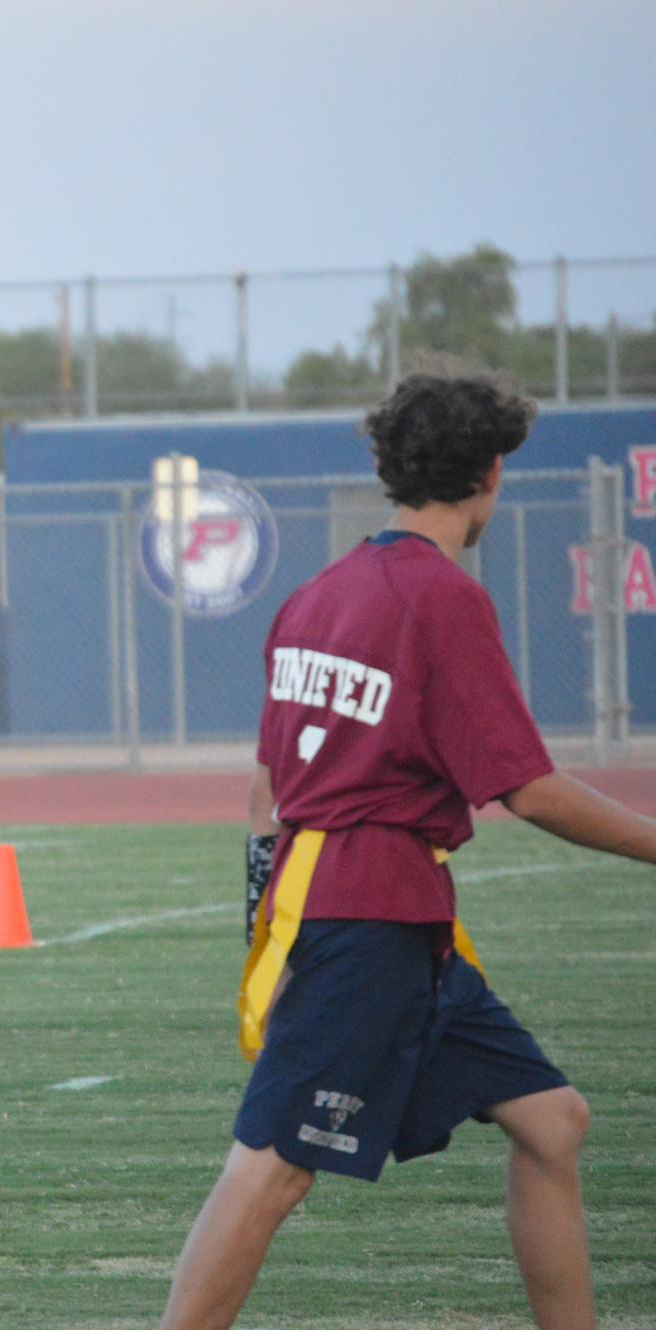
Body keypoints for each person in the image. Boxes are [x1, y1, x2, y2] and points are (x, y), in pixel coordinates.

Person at [161, 372, 656, 1330]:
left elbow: (265, 789)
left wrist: (271, 913)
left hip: (367, 911)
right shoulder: (443, 599)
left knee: (551, 1122)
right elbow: (529, 788)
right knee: (269, 1168)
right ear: (491, 474)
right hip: (372, 916)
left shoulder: (315, 593)